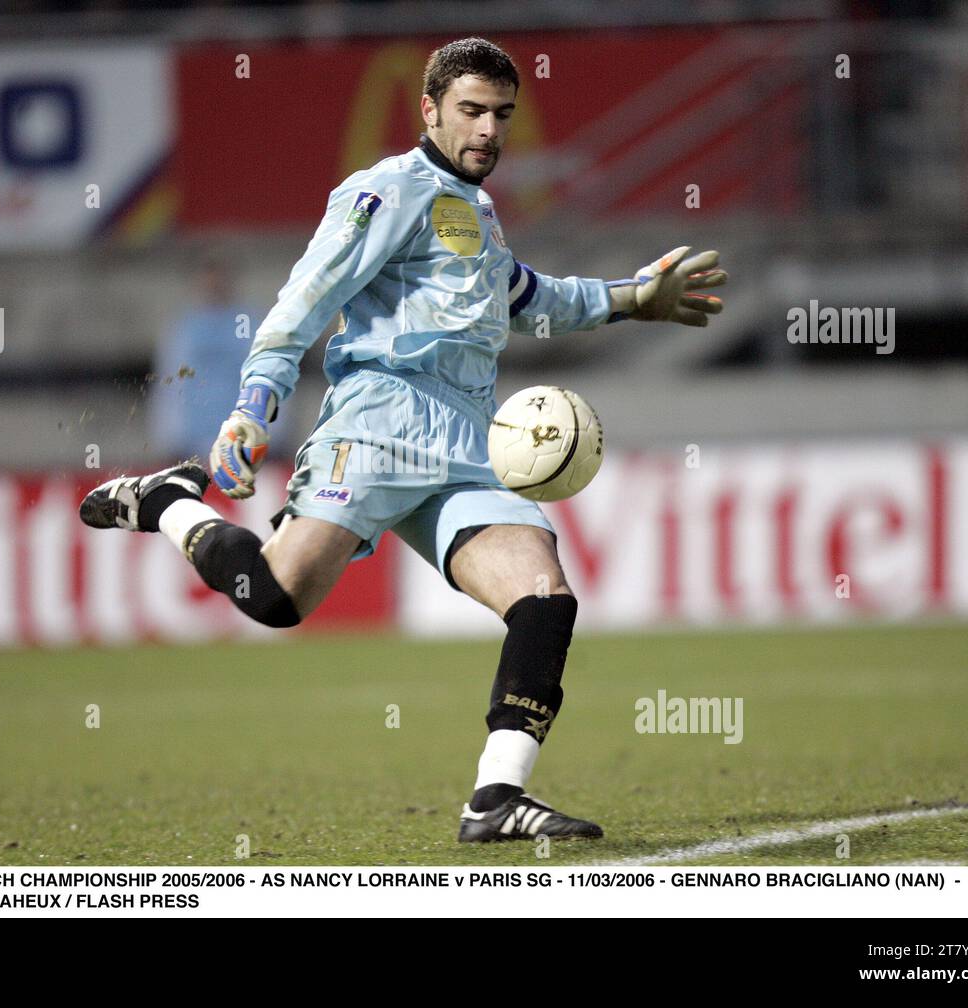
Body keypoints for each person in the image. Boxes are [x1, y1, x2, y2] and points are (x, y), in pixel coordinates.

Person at [80, 38, 726, 843]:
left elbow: (531, 298)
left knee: (545, 599)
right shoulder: (386, 189)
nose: (488, 130)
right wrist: (254, 405)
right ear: (429, 110)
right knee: (276, 599)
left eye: (501, 115)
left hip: (469, 445)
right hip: (379, 425)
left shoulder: (478, 213)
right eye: (471, 112)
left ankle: (495, 799)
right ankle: (169, 503)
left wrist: (634, 298)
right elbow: (306, 299)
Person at [148, 258, 260, 463]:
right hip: (191, 440)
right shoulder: (183, 328)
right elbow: (169, 382)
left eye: (219, 280)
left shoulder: (250, 324)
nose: (214, 286)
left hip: (241, 440)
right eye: (209, 280)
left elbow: (266, 378)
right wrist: (168, 437)